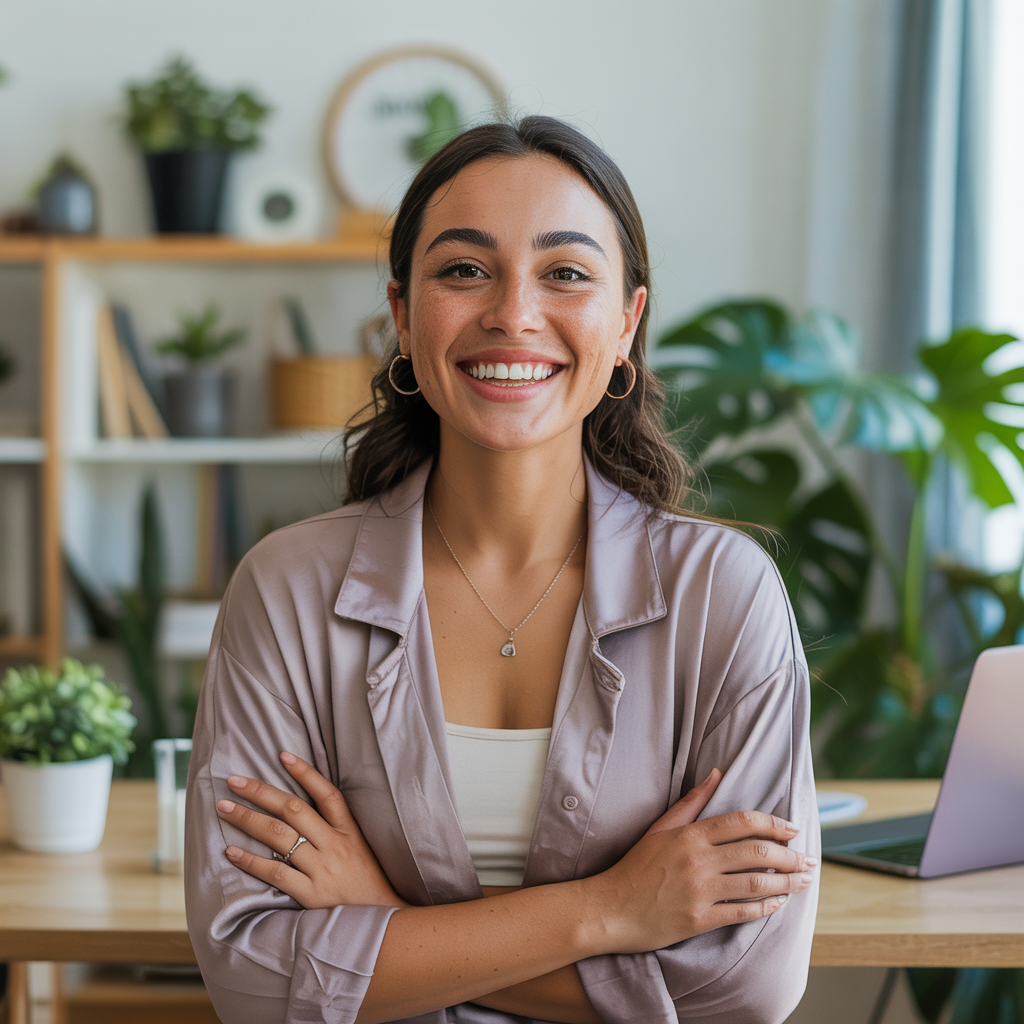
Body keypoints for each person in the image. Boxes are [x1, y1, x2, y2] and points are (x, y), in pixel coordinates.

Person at [185, 116, 820, 1024]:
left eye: (565, 273)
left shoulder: (723, 595)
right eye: (463, 269)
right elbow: (249, 973)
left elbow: (744, 986)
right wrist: (608, 912)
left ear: (627, 323)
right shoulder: (286, 590)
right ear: (402, 315)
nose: (513, 312)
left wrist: (378, 925)